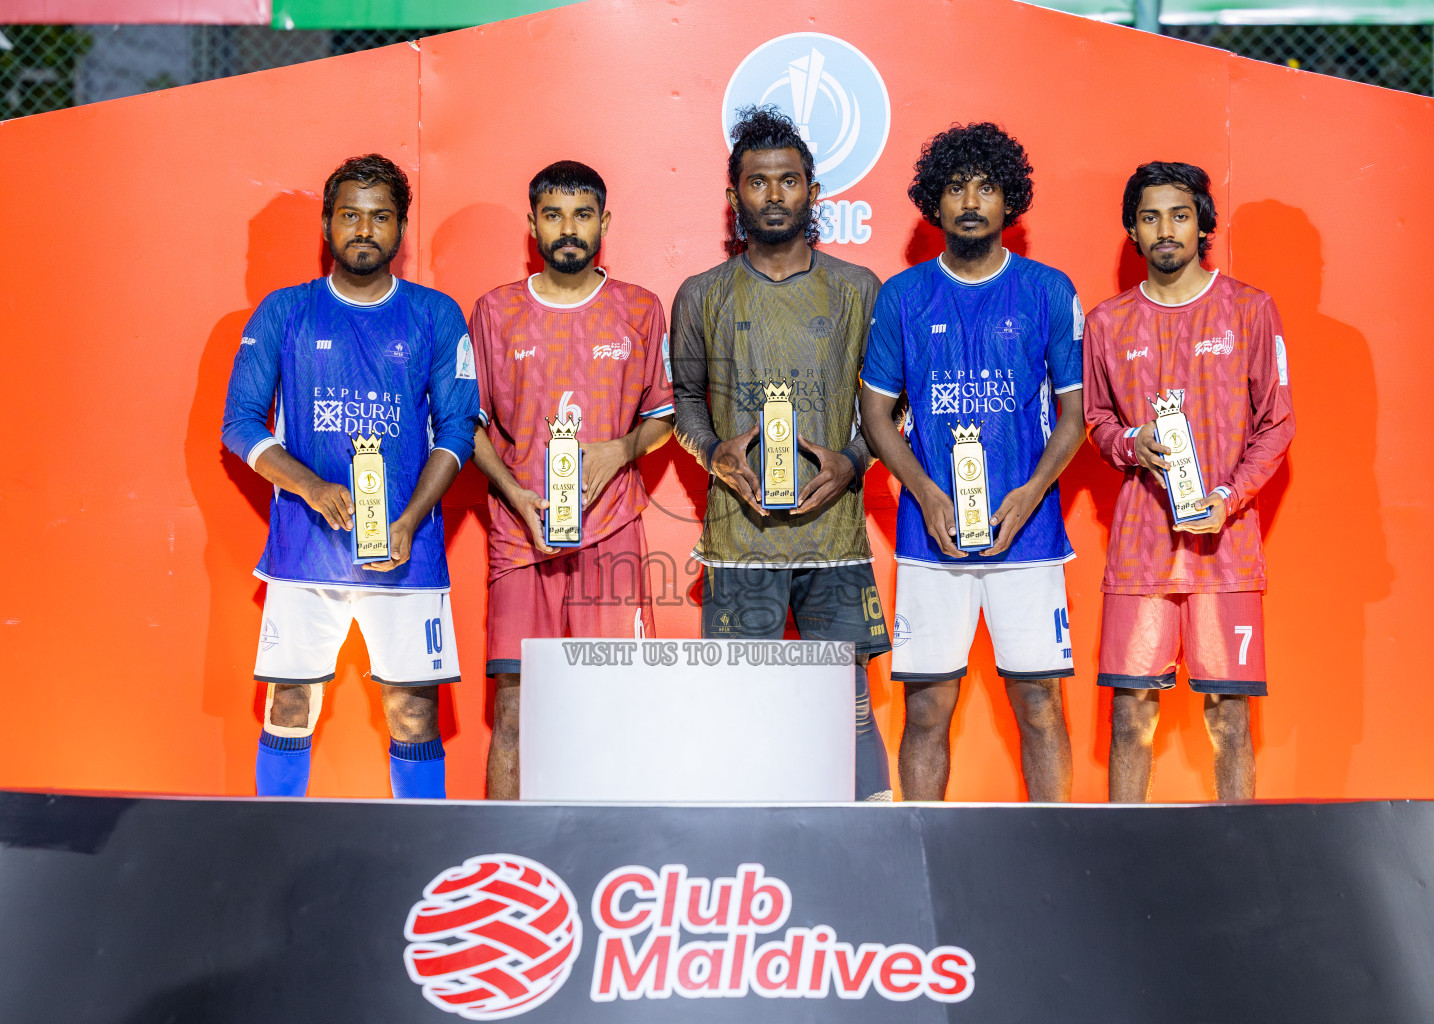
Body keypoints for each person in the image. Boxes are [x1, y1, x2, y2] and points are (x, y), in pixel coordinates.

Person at [222, 154, 482, 798]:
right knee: (289, 708)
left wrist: (411, 519)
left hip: (406, 548)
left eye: (380, 217)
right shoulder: (285, 312)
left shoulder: (436, 314)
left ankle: (426, 872)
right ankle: (277, 862)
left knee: (414, 713)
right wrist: (311, 487)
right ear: (327, 224)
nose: (363, 230)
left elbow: (456, 430)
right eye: (350, 216)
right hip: (306, 548)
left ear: (400, 229)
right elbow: (239, 424)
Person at [672, 106, 892, 801]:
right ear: (734, 196)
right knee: (741, 705)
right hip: (741, 543)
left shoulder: (859, 289)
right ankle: (746, 851)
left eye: (788, 181)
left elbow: (893, 407)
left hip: (835, 537)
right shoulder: (701, 294)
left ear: (813, 192)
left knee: (848, 703)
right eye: (758, 183)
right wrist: (713, 455)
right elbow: (682, 399)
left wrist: (855, 461)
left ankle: (871, 840)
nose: (774, 195)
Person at [860, 122, 1083, 802]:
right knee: (927, 710)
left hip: (1030, 533)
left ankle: (1056, 857)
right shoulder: (903, 296)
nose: (970, 201)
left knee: (1040, 708)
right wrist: (925, 494)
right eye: (955, 187)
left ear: (1008, 199)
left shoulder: (1048, 290)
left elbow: (1074, 418)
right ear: (934, 201)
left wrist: (1030, 493)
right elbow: (874, 417)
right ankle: (920, 859)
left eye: (986, 187)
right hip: (931, 538)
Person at [1084, 161, 1295, 801]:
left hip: (1225, 554)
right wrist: (1129, 443)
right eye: (1150, 217)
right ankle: (1124, 862)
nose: (1165, 229)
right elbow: (1095, 420)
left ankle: (1237, 867)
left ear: (1203, 224)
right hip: (1139, 552)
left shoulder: (1251, 310)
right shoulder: (1106, 323)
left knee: (1230, 719)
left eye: (1179, 215)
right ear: (1132, 230)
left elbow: (1277, 424)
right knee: (1130, 717)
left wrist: (1228, 498)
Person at [469, 161, 674, 800]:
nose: (568, 229)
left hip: (611, 531)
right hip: (519, 536)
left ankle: (610, 855)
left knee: (612, 704)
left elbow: (663, 417)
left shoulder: (640, 309)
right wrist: (515, 493)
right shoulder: (495, 311)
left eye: (582, 214)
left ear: (604, 223)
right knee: (515, 708)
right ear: (532, 224)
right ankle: (501, 859)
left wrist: (620, 449)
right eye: (553, 215)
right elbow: (467, 427)